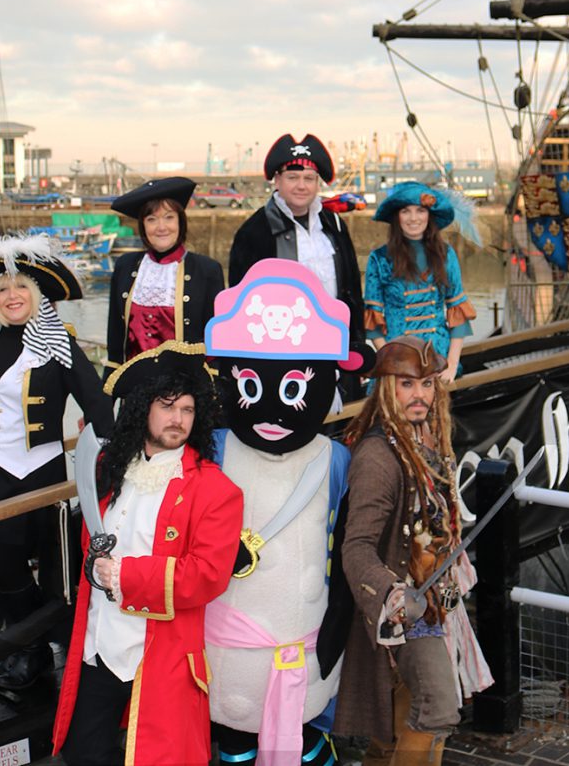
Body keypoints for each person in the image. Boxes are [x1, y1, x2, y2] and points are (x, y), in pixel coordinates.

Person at [203, 258, 375, 766]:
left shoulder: (335, 460)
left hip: (302, 644)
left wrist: (335, 633)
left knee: (302, 734)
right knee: (234, 737)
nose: (274, 408)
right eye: (253, 386)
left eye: (296, 388)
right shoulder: (213, 450)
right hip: (227, 648)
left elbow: (345, 551)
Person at [52, 341, 243, 766]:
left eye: (188, 410)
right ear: (144, 410)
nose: (177, 419)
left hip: (160, 658)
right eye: (167, 406)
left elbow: (207, 575)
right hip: (98, 646)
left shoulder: (216, 490)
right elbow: (94, 541)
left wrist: (123, 577)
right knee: (82, 754)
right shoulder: (110, 469)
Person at [0, 233, 113, 690]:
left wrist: (115, 446)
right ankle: (30, 646)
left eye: (20, 288)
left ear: (36, 294)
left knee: (14, 564)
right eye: (1, 289)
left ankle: (34, 645)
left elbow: (94, 400)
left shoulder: (56, 342)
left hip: (33, 476)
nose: (11, 296)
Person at [334, 336, 492, 765]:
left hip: (437, 599)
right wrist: (393, 594)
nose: (419, 395)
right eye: (406, 384)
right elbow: (357, 547)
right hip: (405, 606)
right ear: (386, 388)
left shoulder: (427, 436)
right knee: (439, 708)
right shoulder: (378, 456)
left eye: (426, 384)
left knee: (401, 716)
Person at [227, 133, 364, 369]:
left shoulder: (334, 224)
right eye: (293, 177)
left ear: (317, 183)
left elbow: (352, 289)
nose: (302, 186)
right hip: (279, 357)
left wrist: (357, 344)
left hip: (336, 351)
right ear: (277, 180)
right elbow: (241, 306)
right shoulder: (254, 231)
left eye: (309, 178)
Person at [105, 176, 225, 381]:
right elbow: (115, 342)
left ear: (180, 221)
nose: (161, 227)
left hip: (185, 395)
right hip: (134, 394)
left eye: (169, 217)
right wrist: (102, 405)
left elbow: (216, 344)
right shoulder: (125, 266)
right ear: (143, 226)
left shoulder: (207, 270)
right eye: (151, 219)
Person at [364, 182, 478, 384]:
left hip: (438, 360)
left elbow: (457, 311)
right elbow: (372, 323)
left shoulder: (446, 254)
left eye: (420, 210)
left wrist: (451, 365)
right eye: (406, 211)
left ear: (429, 215)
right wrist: (390, 361)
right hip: (396, 361)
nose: (413, 218)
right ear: (396, 217)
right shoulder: (379, 258)